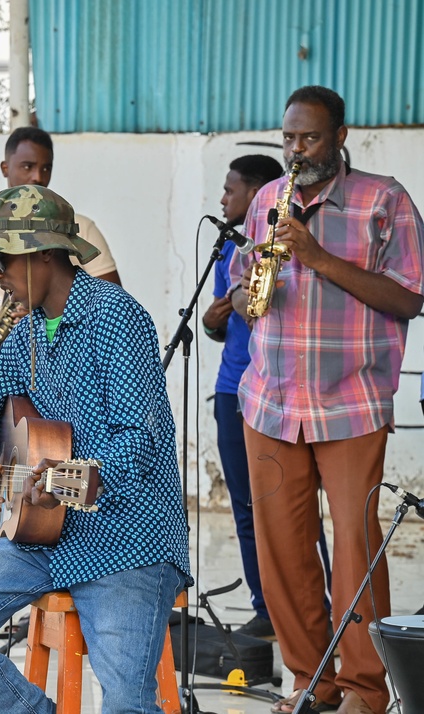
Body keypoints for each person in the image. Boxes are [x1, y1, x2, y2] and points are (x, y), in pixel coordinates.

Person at [0, 184, 191, 714]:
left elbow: (140, 443)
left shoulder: (118, 318)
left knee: (128, 705)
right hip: (40, 537)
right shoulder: (24, 335)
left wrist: (62, 482)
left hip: (125, 540)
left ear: (41, 254)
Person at [229, 86, 424, 714]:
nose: (295, 150)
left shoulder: (384, 199)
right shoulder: (266, 199)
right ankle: (311, 684)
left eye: (308, 138)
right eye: (288, 138)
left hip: (351, 402)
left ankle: (366, 691)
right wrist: (244, 296)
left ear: (341, 137)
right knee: (282, 553)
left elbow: (409, 299)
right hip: (271, 401)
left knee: (355, 548)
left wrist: (316, 257)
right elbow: (239, 285)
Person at [0, 126, 121, 373]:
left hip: (58, 357)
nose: (38, 177)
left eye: (46, 168)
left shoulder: (78, 228)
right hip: (1, 355)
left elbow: (112, 302)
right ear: (5, 168)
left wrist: (51, 319)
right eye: (27, 166)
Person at [201, 155, 283, 640]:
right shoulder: (229, 252)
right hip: (231, 388)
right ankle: (265, 610)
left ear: (256, 195)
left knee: (287, 507)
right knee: (245, 507)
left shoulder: (282, 249)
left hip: (276, 391)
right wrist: (212, 321)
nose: (222, 199)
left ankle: (319, 608)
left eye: (230, 190)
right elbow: (219, 327)